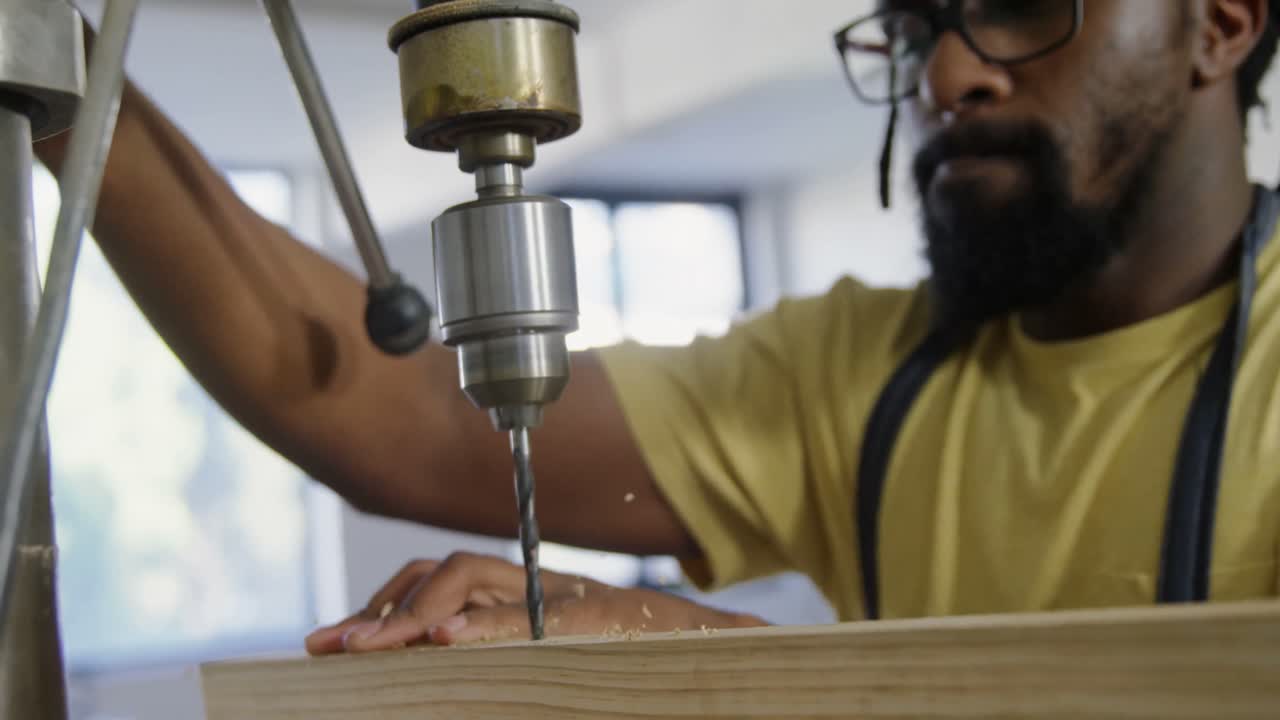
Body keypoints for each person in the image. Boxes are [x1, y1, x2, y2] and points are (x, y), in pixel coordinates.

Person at [35, 0, 1280, 655]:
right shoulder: (868, 373)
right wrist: (63, 75)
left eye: (1018, 4)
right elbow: (388, 407)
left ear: (1221, 19)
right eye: (911, 27)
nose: (944, 73)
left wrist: (716, 657)